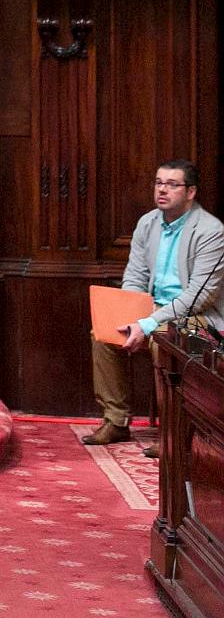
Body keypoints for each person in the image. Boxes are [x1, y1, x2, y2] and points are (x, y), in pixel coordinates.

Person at [88, 160, 224, 455]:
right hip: (151, 310)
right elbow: (135, 275)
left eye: (172, 184)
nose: (162, 189)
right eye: (158, 182)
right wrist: (126, 314)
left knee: (163, 342)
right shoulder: (147, 223)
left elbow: (198, 296)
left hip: (197, 317)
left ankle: (172, 432)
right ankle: (116, 420)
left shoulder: (211, 231)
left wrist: (147, 324)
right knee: (104, 333)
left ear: (190, 192)